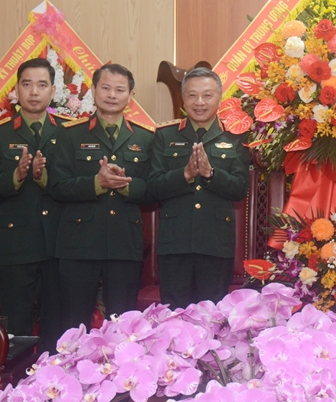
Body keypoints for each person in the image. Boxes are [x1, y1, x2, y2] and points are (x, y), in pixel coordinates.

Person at [49, 63, 155, 330]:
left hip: (124, 243)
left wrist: (125, 185)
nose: (112, 95)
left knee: (123, 324)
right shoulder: (70, 134)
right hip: (79, 244)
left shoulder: (145, 137)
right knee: (73, 323)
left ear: (130, 95)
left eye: (120, 90)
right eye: (105, 88)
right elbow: (57, 186)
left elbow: (154, 189)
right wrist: (97, 183)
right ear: (93, 90)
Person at [0, 58, 68, 351]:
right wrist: (15, 177)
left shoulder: (69, 131)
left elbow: (75, 184)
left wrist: (45, 178)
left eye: (42, 85)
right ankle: (16, 379)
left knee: (57, 324)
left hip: (58, 243)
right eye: (27, 84)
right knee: (17, 324)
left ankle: (55, 375)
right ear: (16, 89)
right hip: (16, 245)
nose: (34, 92)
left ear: (53, 90)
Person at [147, 67, 249, 308]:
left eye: (207, 95)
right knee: (174, 317)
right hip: (175, 243)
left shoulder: (235, 136)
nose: (199, 102)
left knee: (212, 316)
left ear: (219, 98)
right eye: (192, 95)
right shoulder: (165, 135)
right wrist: (185, 175)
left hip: (215, 243)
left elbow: (239, 189)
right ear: (183, 99)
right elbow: (152, 188)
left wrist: (211, 174)